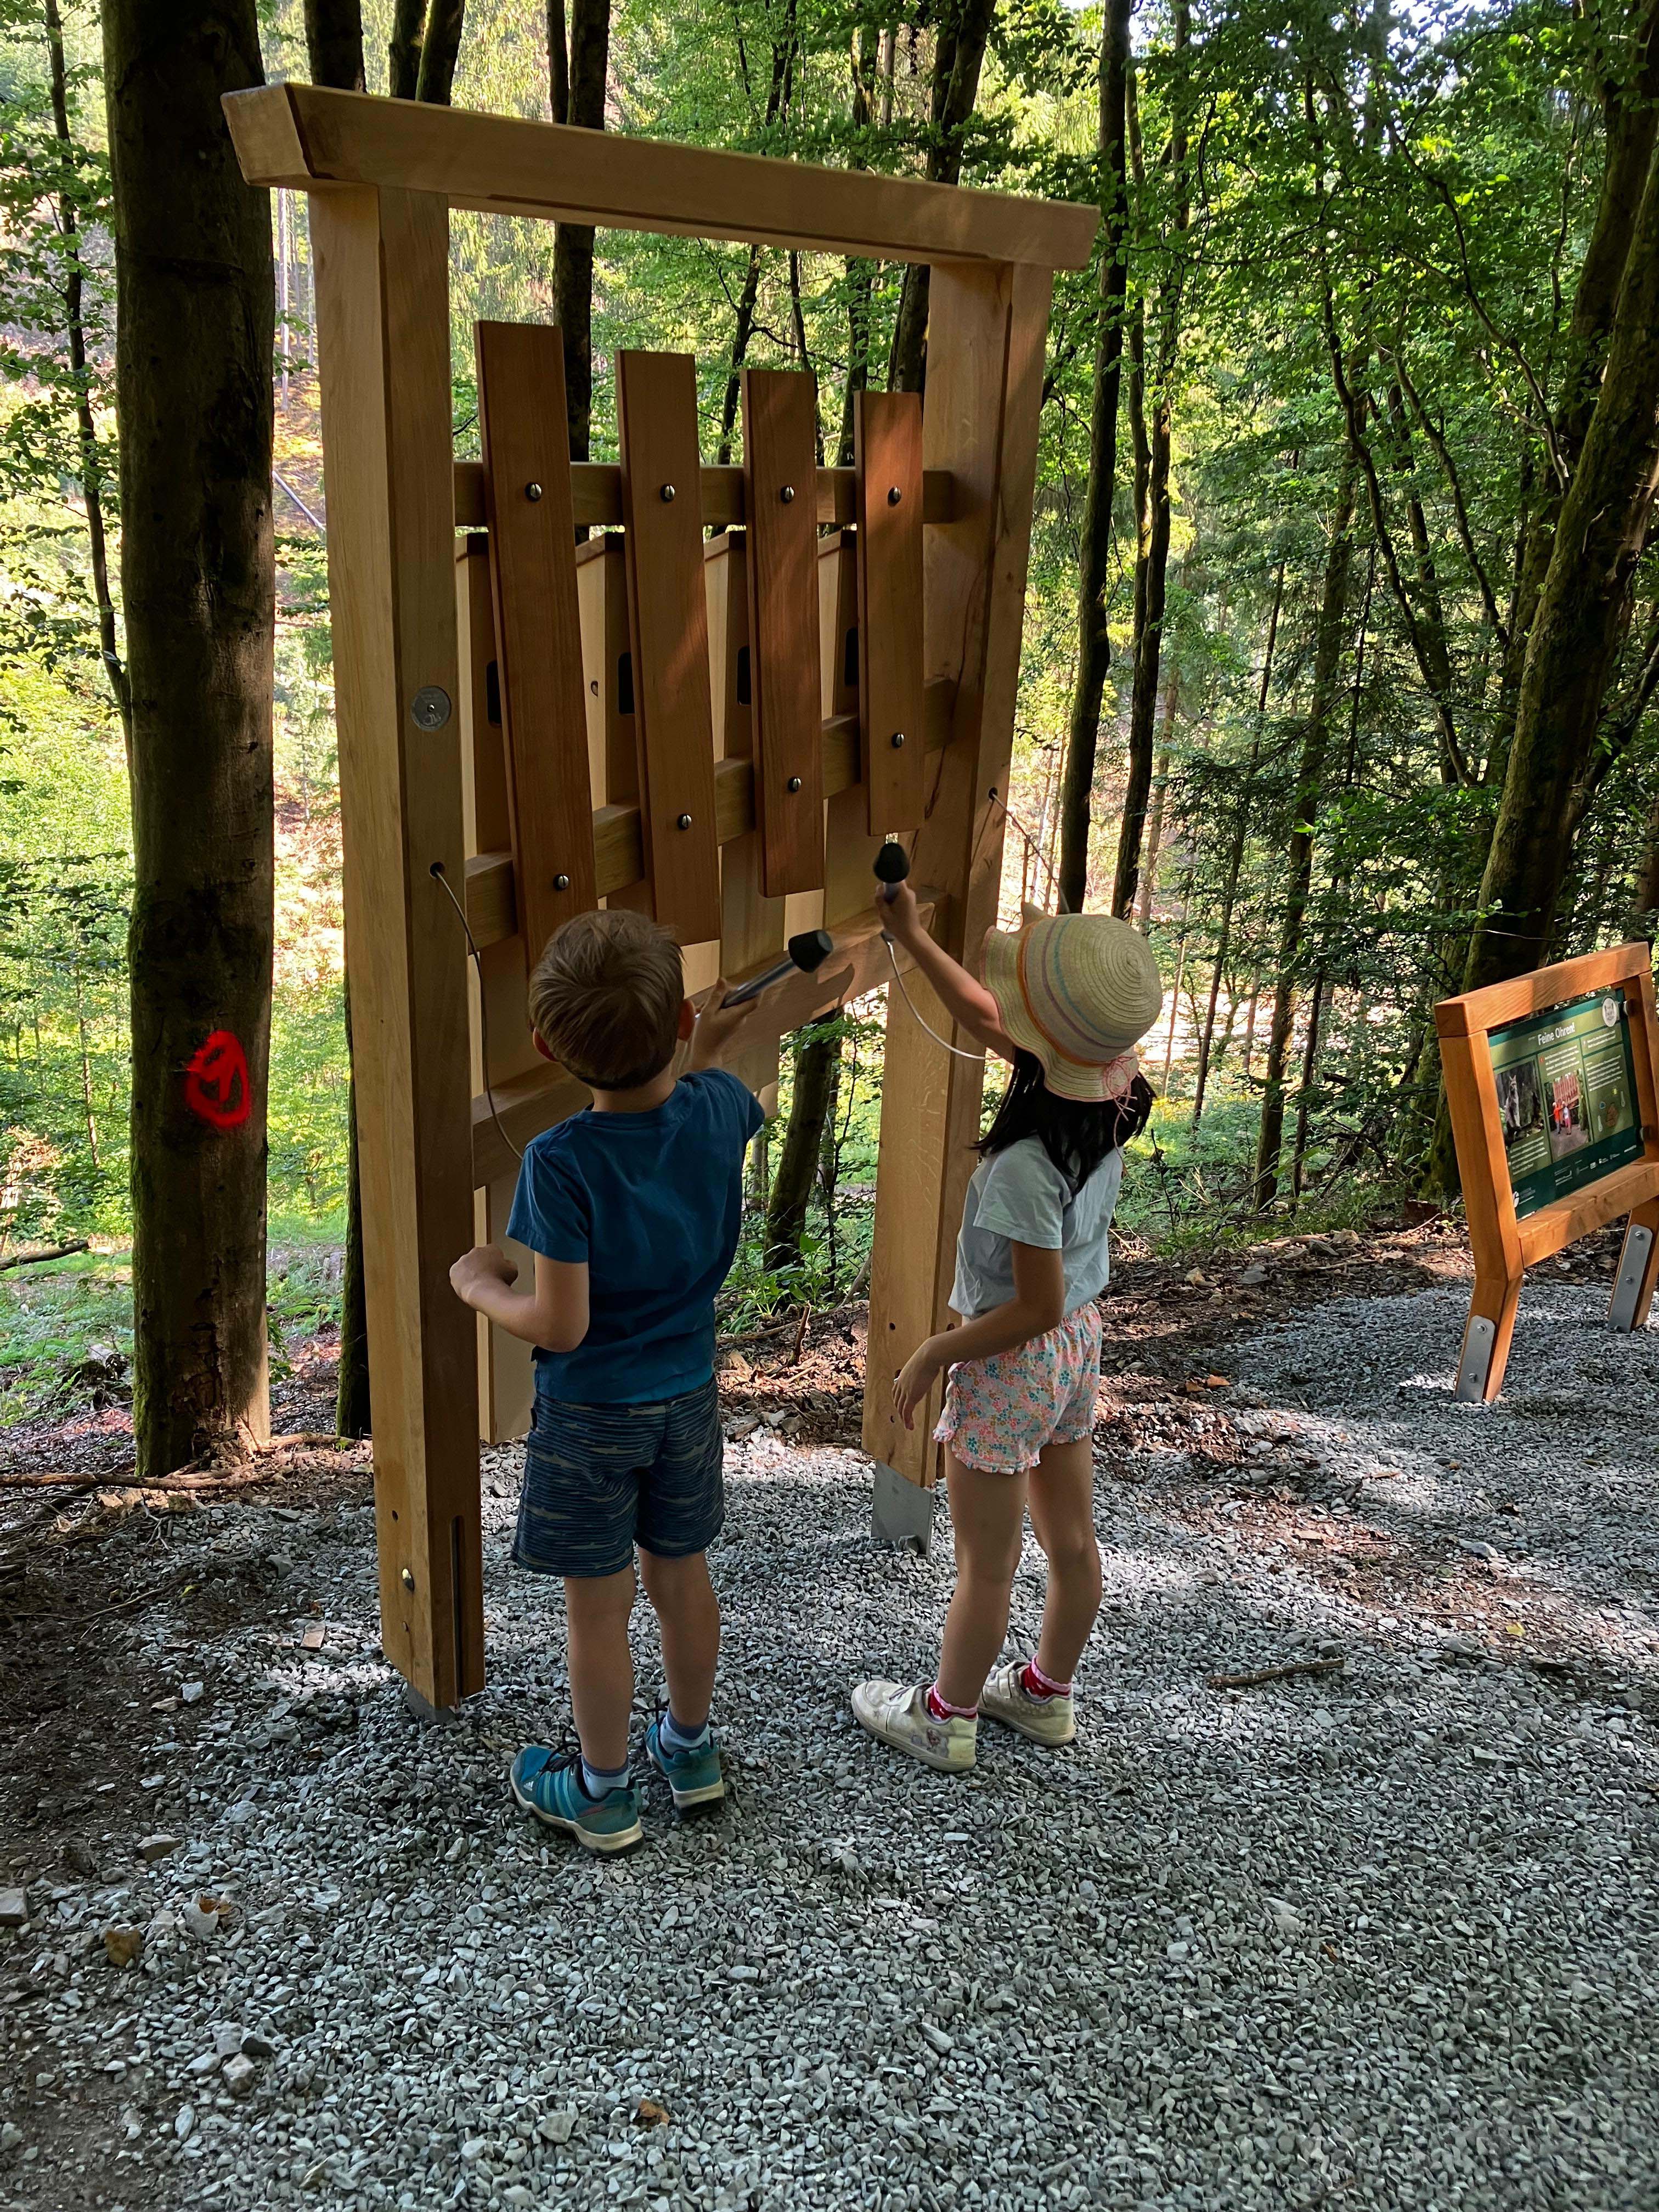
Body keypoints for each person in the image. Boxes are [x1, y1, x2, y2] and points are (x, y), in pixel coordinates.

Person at [450, 908, 763, 1853]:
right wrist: (701, 1044)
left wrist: (480, 1286)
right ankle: (693, 1749)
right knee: (683, 1577)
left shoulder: (562, 1162)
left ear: (546, 1046)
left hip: (591, 1414)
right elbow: (720, 1087)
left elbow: (562, 1322)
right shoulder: (719, 1109)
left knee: (598, 1606)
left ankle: (602, 1791)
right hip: (689, 1394)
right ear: (680, 1023)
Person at [852, 882, 1161, 1773]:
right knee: (1070, 1543)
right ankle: (1045, 1696)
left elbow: (1032, 1303)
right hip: (1075, 1354)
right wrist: (912, 932)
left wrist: (934, 1352)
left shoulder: (1028, 1164)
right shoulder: (1112, 1089)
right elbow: (989, 1016)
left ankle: (946, 1718)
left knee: (986, 1565)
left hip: (1014, 1358)